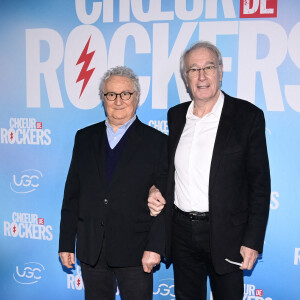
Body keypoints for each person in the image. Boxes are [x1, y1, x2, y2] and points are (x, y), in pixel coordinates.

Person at [148, 41, 271, 300]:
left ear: (221, 71)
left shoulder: (247, 116)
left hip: (227, 233)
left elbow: (259, 185)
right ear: (186, 77)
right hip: (181, 232)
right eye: (194, 69)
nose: (202, 76)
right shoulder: (176, 115)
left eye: (208, 67)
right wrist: (154, 188)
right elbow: (171, 171)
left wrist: (253, 240)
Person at [59, 66, 168, 300]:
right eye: (111, 94)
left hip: (137, 252)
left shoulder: (158, 142)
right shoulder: (84, 138)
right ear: (103, 98)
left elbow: (165, 202)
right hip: (92, 249)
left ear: (136, 97)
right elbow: (72, 194)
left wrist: (156, 247)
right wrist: (66, 242)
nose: (118, 101)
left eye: (125, 94)